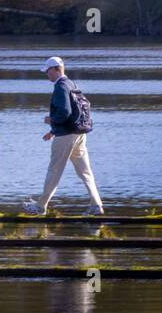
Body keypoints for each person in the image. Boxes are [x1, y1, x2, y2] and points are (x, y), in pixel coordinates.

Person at [23, 56, 104, 215]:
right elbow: (74, 112)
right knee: (85, 172)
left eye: (47, 71)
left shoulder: (60, 86)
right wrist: (53, 131)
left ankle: (40, 207)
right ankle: (96, 205)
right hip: (79, 134)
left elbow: (65, 112)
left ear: (55, 69)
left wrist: (51, 120)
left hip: (66, 136)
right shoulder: (72, 84)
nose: (47, 75)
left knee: (54, 170)